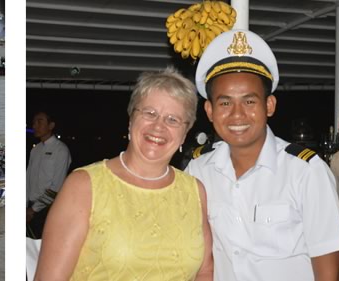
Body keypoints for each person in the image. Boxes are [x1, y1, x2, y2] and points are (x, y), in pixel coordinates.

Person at [187, 29, 339, 281]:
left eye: (249, 102)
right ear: (209, 110)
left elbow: (329, 269)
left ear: (269, 106)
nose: (237, 114)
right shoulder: (198, 171)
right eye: (225, 103)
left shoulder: (305, 171)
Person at [35, 67, 214, 280]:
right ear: (131, 120)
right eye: (150, 113)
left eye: (173, 119)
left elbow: (204, 271)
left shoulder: (194, 191)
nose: (159, 126)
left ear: (185, 134)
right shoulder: (83, 186)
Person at [27, 111, 72, 227]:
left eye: (39, 122)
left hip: (48, 209)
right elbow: (27, 180)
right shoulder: (35, 150)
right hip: (29, 208)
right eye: (34, 122)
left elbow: (57, 186)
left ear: (51, 126)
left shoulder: (61, 150)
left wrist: (33, 210)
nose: (34, 126)